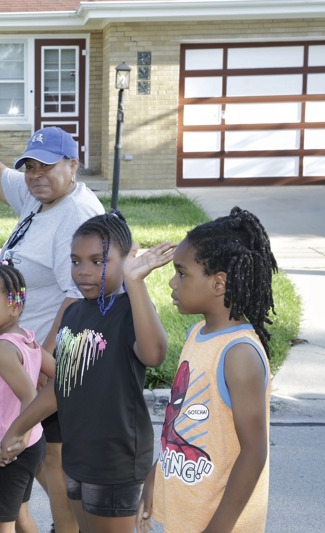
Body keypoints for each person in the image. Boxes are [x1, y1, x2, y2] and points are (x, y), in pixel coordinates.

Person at [0, 76, 105, 532]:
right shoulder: (39, 195)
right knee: (37, 459)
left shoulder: (76, 216)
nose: (35, 175)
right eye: (30, 166)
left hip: (53, 358)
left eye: (47, 166)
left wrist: (40, 360)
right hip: (30, 353)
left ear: (72, 164)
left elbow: (76, 296)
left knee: (52, 461)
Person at [0, 212, 176, 533]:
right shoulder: (74, 313)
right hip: (77, 454)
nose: (84, 271)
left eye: (98, 261)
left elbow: (154, 354)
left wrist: (135, 282)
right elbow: (61, 386)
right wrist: (19, 427)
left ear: (126, 260)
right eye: (76, 261)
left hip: (116, 458)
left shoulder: (129, 310)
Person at [137, 206, 277, 533]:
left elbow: (254, 452)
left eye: (182, 273)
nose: (172, 282)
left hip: (217, 522)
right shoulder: (197, 335)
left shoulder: (238, 354)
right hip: (185, 513)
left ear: (218, 283)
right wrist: (153, 479)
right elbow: (179, 424)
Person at [0, 263, 54, 533]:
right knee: (19, 513)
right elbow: (59, 374)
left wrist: (17, 441)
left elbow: (29, 396)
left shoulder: (1, 350)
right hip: (33, 443)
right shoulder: (26, 338)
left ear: (15, 307)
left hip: (12, 448)